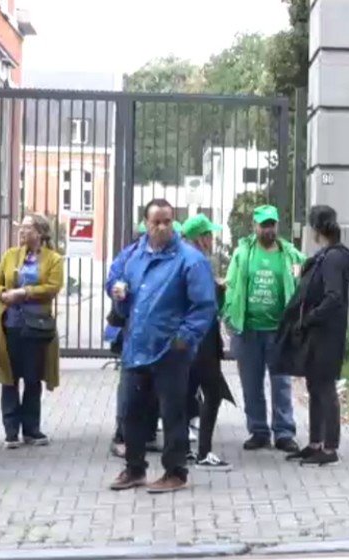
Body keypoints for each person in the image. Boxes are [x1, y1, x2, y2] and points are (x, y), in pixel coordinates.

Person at [108, 199, 217, 493]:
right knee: (133, 411)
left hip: (171, 350)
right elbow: (122, 291)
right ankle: (134, 468)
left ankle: (175, 471)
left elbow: (204, 306)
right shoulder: (135, 257)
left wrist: (184, 338)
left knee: (173, 413)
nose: (162, 227)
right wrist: (119, 296)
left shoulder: (190, 260)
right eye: (156, 221)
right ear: (146, 223)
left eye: (167, 221)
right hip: (137, 347)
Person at [275, 205, 349, 466]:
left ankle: (330, 448)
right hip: (318, 333)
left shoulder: (333, 259)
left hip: (326, 334)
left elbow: (334, 297)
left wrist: (308, 319)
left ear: (316, 229)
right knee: (314, 386)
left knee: (325, 387)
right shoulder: (326, 256)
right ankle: (315, 443)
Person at [223, 205, 306, 453]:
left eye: (272, 224)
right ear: (255, 226)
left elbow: (306, 276)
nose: (268, 229)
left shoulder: (289, 253)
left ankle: (284, 432)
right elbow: (231, 284)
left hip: (279, 331)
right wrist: (228, 314)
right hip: (248, 330)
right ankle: (258, 431)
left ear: (277, 225)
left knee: (281, 383)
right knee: (251, 383)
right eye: (263, 224)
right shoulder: (243, 253)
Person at [0, 214, 64, 449]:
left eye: (28, 228)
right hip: (11, 323)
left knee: (33, 378)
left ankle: (31, 429)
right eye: (20, 227)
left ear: (40, 233)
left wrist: (24, 292)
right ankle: (11, 431)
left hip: (37, 326)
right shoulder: (11, 255)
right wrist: (3, 294)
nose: (22, 232)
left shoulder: (53, 259)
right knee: (9, 378)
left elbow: (53, 287)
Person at [181, 213, 237, 470]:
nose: (212, 239)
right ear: (199, 238)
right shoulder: (197, 262)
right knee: (212, 392)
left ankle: (183, 449)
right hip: (201, 336)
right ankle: (203, 452)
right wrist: (218, 291)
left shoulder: (183, 259)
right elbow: (205, 302)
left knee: (187, 391)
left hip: (189, 337)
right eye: (209, 235)